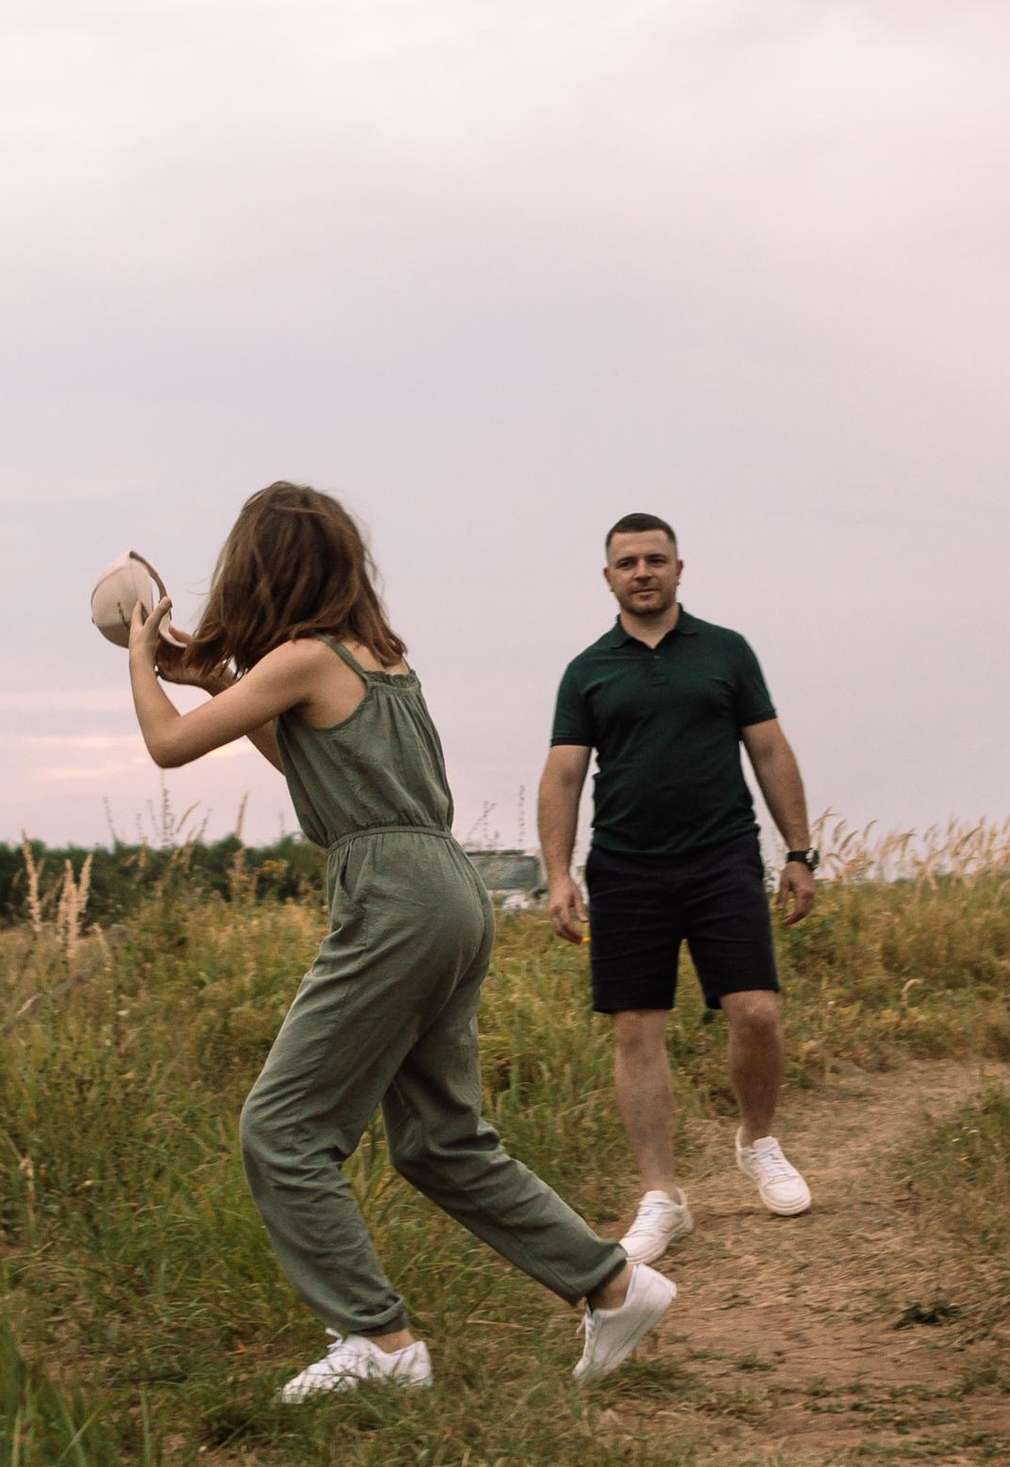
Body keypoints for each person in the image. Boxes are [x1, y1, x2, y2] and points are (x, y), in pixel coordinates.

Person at [123, 483, 675, 1401]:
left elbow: (168, 748)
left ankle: (378, 1342)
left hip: (392, 896)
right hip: (449, 890)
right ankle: (612, 1284)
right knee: (438, 1141)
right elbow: (302, 755)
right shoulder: (374, 657)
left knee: (284, 1128)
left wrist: (139, 658)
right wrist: (218, 681)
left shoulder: (300, 657)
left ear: (264, 570)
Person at [537, 512, 820, 1269]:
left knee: (756, 1010)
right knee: (635, 1028)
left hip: (722, 855)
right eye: (627, 562)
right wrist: (558, 874)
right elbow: (563, 774)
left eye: (655, 559)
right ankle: (662, 1196)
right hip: (626, 866)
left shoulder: (726, 652)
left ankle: (758, 1141)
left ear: (679, 568)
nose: (642, 572)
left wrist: (799, 852)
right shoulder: (587, 669)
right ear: (608, 578)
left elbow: (768, 748)